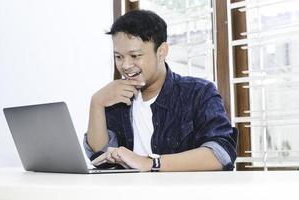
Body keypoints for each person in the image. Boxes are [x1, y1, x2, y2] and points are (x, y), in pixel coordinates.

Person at [83, 10, 237, 172]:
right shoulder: (116, 96)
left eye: (135, 56)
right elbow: (100, 158)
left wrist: (151, 163)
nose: (125, 65)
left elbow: (222, 153)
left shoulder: (199, 92)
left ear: (162, 52)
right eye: (118, 57)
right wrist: (97, 103)